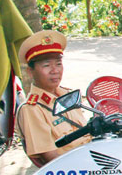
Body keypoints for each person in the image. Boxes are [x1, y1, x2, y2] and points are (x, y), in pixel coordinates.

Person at [15, 30, 91, 165]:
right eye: (46, 65)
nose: (55, 70)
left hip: (92, 156)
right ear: (30, 72)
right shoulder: (32, 109)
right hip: (77, 171)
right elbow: (51, 158)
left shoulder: (68, 96)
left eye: (58, 64)